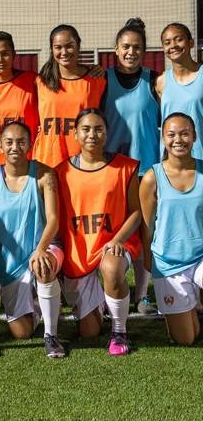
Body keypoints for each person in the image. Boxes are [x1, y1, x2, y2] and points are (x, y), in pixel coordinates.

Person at [57, 109, 140, 355]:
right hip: (79, 250)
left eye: (98, 129)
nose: (92, 134)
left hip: (115, 243)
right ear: (75, 134)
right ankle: (103, 304)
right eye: (86, 129)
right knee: (89, 332)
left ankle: (119, 331)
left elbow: (136, 212)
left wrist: (118, 239)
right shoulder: (60, 171)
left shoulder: (125, 167)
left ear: (107, 132)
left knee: (112, 269)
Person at [0, 121, 65, 358]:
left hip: (45, 248)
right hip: (10, 261)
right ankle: (40, 304)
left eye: (21, 141)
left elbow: (53, 220)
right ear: (0, 145)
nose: (15, 147)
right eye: (9, 142)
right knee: (21, 332)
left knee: (43, 265)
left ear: (30, 144)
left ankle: (51, 336)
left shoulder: (44, 175)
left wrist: (40, 249)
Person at [102, 18, 160, 314]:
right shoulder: (104, 80)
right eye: (125, 46)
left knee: (146, 231)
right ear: (116, 49)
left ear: (144, 50)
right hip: (112, 172)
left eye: (137, 47)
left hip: (146, 170)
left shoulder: (154, 80)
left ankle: (143, 295)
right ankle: (108, 286)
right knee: (113, 230)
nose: (131, 51)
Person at [139, 113, 203, 346]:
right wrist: (149, 261)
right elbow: (147, 226)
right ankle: (188, 310)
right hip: (168, 263)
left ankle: (195, 300)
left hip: (200, 258)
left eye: (185, 133)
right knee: (187, 339)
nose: (179, 139)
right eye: (172, 134)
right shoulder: (151, 177)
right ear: (163, 138)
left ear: (194, 136)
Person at [0, 31, 38, 217]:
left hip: (25, 167)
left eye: (5, 53)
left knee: (29, 220)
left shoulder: (33, 82)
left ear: (14, 54)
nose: (0, 59)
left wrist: (91, 69)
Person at [33, 25, 106, 169]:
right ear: (51, 49)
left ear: (78, 46)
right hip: (47, 160)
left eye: (69, 46)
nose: (64, 52)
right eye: (58, 47)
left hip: (82, 160)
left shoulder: (97, 80)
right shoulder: (40, 82)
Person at [156, 22, 203, 160]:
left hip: (199, 159)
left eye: (179, 39)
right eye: (167, 42)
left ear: (191, 43)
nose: (173, 45)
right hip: (169, 161)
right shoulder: (161, 81)